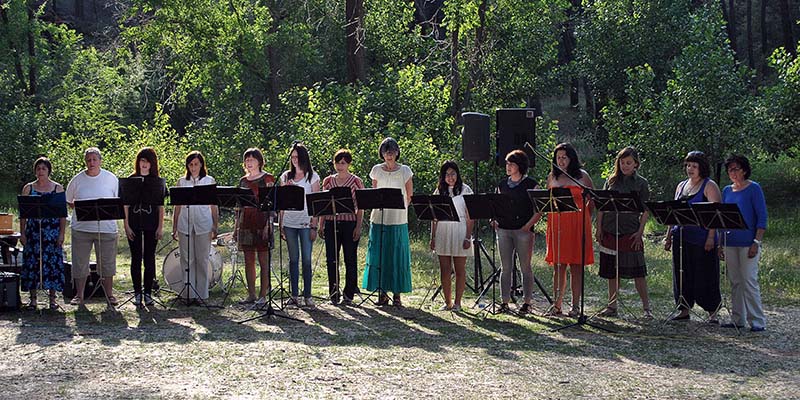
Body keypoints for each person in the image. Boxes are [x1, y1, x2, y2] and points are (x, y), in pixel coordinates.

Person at [664, 150, 721, 322]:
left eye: (694, 166)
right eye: (688, 165)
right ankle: (684, 310)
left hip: (702, 239)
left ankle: (712, 313)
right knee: (682, 274)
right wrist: (668, 236)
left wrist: (711, 237)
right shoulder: (681, 186)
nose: (690, 169)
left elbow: (715, 214)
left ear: (701, 168)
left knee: (705, 275)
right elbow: (673, 214)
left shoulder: (709, 186)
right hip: (681, 237)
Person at [595, 147, 652, 319]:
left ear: (636, 164)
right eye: (622, 162)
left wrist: (640, 232)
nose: (625, 166)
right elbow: (601, 206)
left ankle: (646, 308)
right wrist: (599, 228)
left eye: (628, 163)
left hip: (630, 231)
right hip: (610, 229)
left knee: (638, 272)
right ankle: (612, 306)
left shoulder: (641, 183)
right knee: (612, 271)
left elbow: (646, 210)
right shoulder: (611, 181)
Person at [545, 142, 594, 318]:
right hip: (557, 225)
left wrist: (585, 217)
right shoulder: (552, 177)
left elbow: (593, 199)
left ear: (571, 158)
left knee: (576, 266)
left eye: (564, 157)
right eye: (558, 157)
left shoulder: (582, 176)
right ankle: (556, 305)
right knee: (558, 266)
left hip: (577, 224)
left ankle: (575, 306)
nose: (561, 160)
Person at [65, 147, 119, 306]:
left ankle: (109, 294)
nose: (92, 163)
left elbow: (117, 200)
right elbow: (69, 200)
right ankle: (79, 295)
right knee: (80, 263)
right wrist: (79, 207)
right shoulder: (77, 180)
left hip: (106, 229)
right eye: (88, 160)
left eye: (95, 159)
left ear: (100, 161)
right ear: (85, 162)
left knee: (107, 263)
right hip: (81, 229)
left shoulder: (111, 178)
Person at [362, 137, 413, 307]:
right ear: (382, 154)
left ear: (397, 153)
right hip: (379, 218)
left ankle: (397, 294)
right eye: (385, 152)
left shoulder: (405, 170)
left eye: (391, 152)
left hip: (398, 219)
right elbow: (374, 193)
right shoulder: (376, 170)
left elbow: (409, 195)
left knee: (396, 255)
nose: (389, 155)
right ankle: (381, 292)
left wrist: (400, 207)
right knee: (380, 255)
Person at [720, 155, 767, 332]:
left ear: (744, 170)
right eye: (730, 169)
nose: (732, 173)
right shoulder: (726, 191)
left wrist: (757, 241)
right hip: (730, 241)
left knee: (749, 280)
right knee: (735, 281)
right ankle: (738, 318)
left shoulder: (754, 189)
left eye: (735, 169)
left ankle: (757, 321)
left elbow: (762, 217)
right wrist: (719, 243)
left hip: (749, 242)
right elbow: (723, 217)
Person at [492, 151, 538, 314]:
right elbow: (496, 205)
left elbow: (539, 210)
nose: (508, 166)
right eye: (506, 163)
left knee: (525, 266)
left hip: (523, 230)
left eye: (511, 164)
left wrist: (528, 226)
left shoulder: (531, 184)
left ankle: (527, 302)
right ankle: (504, 301)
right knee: (505, 267)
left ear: (519, 166)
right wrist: (495, 219)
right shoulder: (502, 185)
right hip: (504, 229)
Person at [19, 157, 66, 310]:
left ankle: (52, 299)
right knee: (32, 263)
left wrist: (61, 234)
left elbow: (62, 215)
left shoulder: (57, 188)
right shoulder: (28, 188)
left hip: (52, 232)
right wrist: (22, 233)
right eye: (38, 169)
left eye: (43, 169)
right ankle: (33, 300)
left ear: (48, 171)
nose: (41, 171)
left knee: (52, 263)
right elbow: (23, 214)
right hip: (33, 231)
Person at [318, 149, 365, 305]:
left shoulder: (356, 181)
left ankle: (349, 293)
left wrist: (358, 227)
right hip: (331, 223)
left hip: (349, 222)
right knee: (332, 259)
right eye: (337, 162)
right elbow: (323, 204)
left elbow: (361, 206)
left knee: (350, 258)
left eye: (343, 163)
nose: (340, 166)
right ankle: (333, 292)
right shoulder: (328, 181)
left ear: (349, 164)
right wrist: (321, 224)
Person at [172, 151, 219, 302]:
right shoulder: (182, 182)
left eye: (196, 164)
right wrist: (174, 226)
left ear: (201, 165)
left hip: (203, 224)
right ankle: (188, 293)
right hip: (184, 224)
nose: (193, 167)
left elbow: (214, 206)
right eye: (190, 165)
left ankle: (202, 294)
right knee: (186, 259)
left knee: (202, 259)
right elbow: (177, 207)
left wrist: (215, 226)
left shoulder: (209, 180)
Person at [123, 147, 167, 307]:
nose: (144, 164)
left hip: (151, 222)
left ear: (152, 163)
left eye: (147, 161)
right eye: (142, 160)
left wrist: (160, 227)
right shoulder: (131, 180)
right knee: (136, 258)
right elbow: (125, 205)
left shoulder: (157, 181)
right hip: (134, 221)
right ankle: (137, 293)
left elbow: (161, 206)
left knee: (149, 258)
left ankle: (148, 292)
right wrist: (126, 225)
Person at [279, 143, 320, 308]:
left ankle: (308, 295)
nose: (294, 160)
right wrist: (280, 223)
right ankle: (294, 295)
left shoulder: (312, 177)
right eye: (292, 157)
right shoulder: (285, 177)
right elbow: (281, 202)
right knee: (293, 259)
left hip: (306, 222)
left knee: (307, 260)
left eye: (297, 157)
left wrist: (314, 225)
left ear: (304, 158)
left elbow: (316, 203)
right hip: (289, 221)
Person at [430, 160, 474, 312]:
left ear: (457, 174)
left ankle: (458, 303)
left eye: (453, 174)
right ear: (443, 176)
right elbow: (434, 217)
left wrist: (468, 237)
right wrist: (433, 237)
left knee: (460, 268)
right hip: (443, 229)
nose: (450, 177)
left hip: (460, 229)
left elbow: (471, 216)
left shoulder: (466, 190)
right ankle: (447, 302)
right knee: (445, 268)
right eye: (447, 174)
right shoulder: (439, 191)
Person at [236, 148, 275, 305]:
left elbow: (272, 205)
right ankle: (251, 294)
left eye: (252, 159)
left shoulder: (268, 179)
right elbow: (238, 208)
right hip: (246, 222)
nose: (249, 162)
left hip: (262, 222)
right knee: (248, 260)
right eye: (247, 160)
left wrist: (269, 224)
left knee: (263, 260)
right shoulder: (243, 181)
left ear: (259, 161)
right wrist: (235, 228)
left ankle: (263, 295)